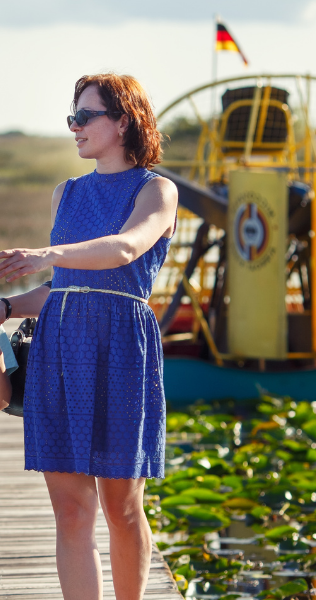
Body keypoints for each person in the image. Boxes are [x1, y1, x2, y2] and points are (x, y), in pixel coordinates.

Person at [0, 74, 178, 600]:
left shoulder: (156, 190)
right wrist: (8, 306)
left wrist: (48, 254)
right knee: (71, 511)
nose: (74, 127)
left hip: (122, 346)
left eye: (85, 116)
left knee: (122, 507)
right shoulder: (66, 193)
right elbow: (65, 289)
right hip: (60, 347)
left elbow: (125, 249)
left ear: (122, 121)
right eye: (71, 117)